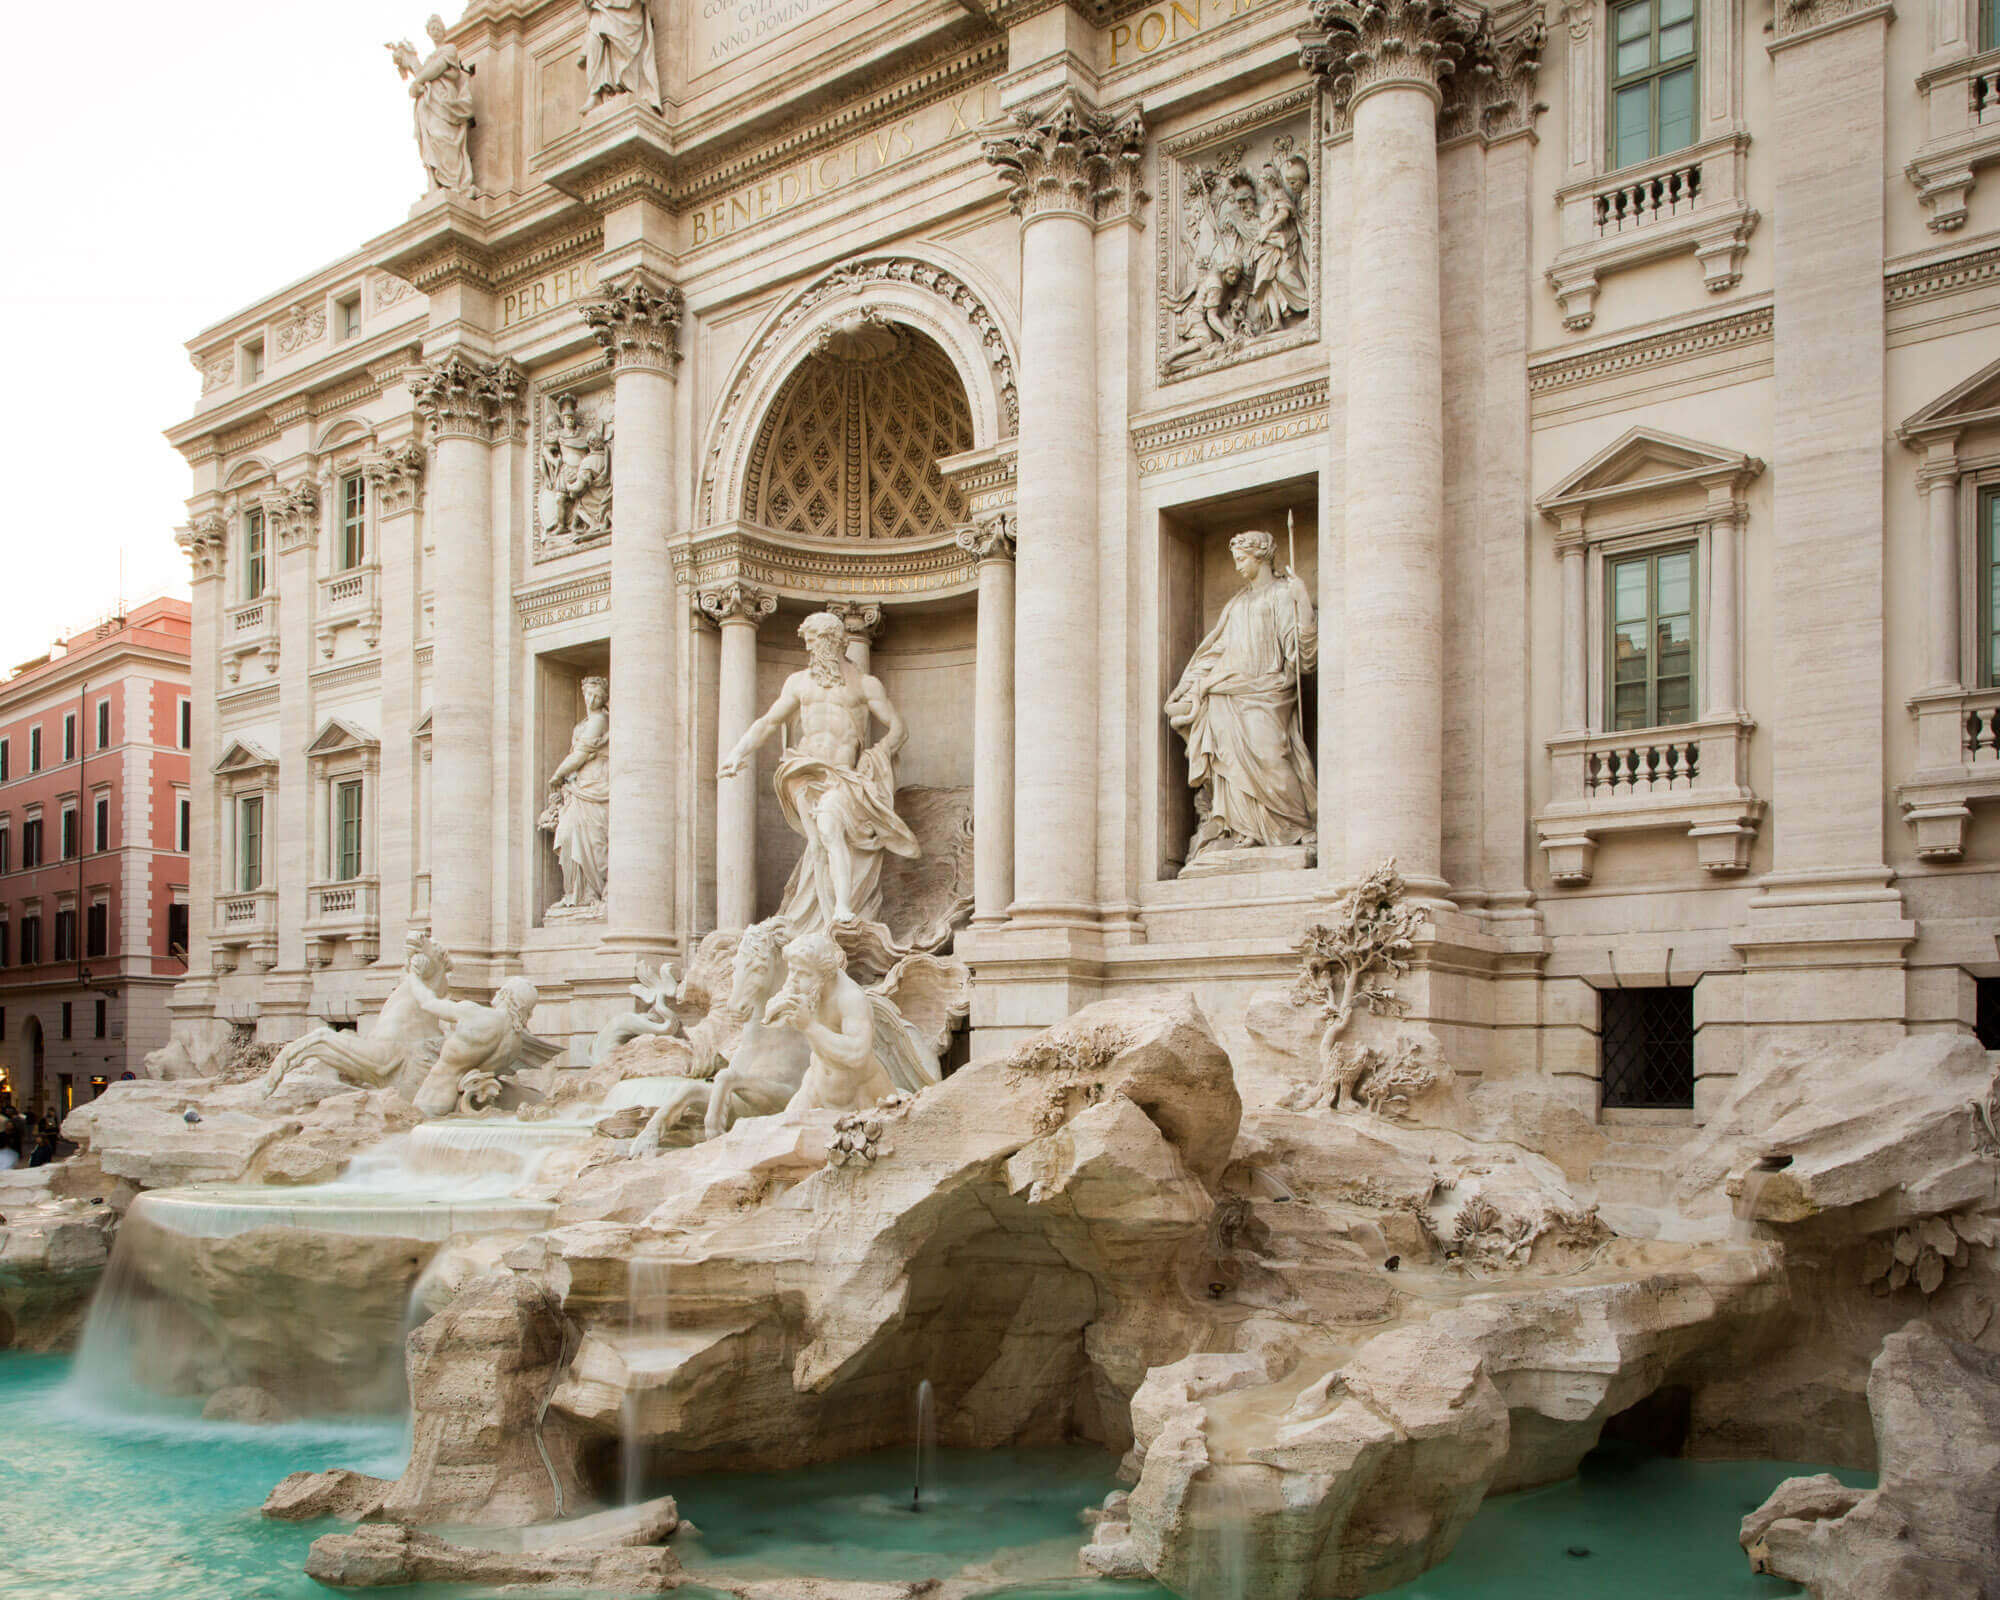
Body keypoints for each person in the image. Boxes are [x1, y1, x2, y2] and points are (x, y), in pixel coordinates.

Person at [718, 611, 918, 933]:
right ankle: (821, 916)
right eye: (808, 644)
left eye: (814, 643)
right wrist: (738, 752)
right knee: (817, 844)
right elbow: (769, 722)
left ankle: (841, 906)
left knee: (828, 825)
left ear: (832, 641)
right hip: (805, 771)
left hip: (841, 776)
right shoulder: (798, 683)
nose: (810, 650)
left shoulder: (864, 685)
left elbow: (898, 727)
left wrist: (879, 753)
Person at [1165, 529, 1318, 864]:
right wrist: (1187, 686)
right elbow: (1214, 652)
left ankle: (1297, 825)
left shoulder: (1282, 594)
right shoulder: (1237, 603)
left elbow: (1302, 654)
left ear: (1260, 556)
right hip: (1227, 693)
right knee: (1231, 764)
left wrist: (1303, 599)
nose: (1237, 567)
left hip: (1267, 690)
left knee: (1272, 756)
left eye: (1241, 559)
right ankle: (1244, 828)